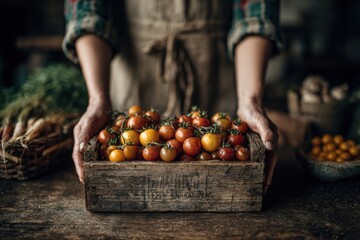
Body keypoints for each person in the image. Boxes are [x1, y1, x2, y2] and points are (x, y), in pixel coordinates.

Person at [62, 0, 282, 194]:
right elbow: (87, 10)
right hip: (135, 71)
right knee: (127, 143)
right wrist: (98, 101)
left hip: (215, 73)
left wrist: (250, 100)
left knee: (219, 154)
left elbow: (255, 10)